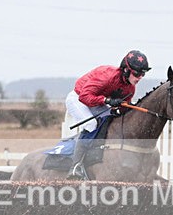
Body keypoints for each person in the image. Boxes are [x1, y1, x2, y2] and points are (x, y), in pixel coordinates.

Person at [64, 50, 151, 179]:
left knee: (109, 118)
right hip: (77, 98)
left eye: (143, 74)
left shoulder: (130, 88)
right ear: (126, 70)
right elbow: (84, 96)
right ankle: (75, 166)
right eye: (137, 73)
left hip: (94, 101)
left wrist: (124, 108)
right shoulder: (107, 76)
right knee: (91, 124)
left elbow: (121, 110)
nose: (140, 77)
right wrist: (107, 101)